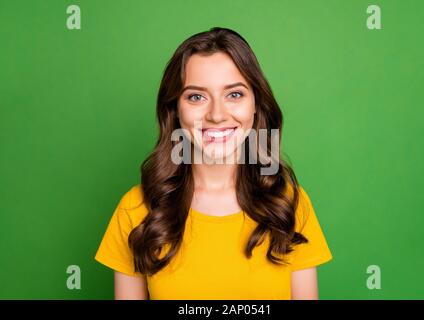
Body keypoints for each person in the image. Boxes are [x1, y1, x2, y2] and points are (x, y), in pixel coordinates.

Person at [95, 27, 332, 300]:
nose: (217, 115)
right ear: (175, 109)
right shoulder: (136, 210)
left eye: (234, 94)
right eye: (196, 96)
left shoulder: (289, 205)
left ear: (256, 104)